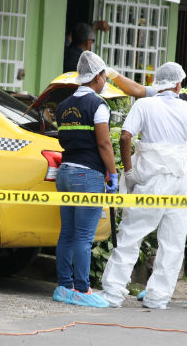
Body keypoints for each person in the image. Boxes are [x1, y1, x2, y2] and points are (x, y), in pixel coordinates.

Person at [99, 62, 187, 309]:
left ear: (158, 82)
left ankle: (113, 293)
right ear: (179, 84)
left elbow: (126, 136)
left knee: (131, 234)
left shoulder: (145, 105)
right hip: (180, 180)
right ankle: (157, 298)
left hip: (151, 179)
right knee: (173, 241)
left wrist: (128, 170)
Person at [53, 51, 118, 308]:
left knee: (67, 233)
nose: (105, 82)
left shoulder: (63, 105)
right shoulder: (98, 105)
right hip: (87, 174)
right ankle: (82, 290)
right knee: (83, 237)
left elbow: (64, 140)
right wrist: (112, 173)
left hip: (65, 172)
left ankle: (63, 286)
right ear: (98, 77)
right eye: (104, 76)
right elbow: (103, 143)